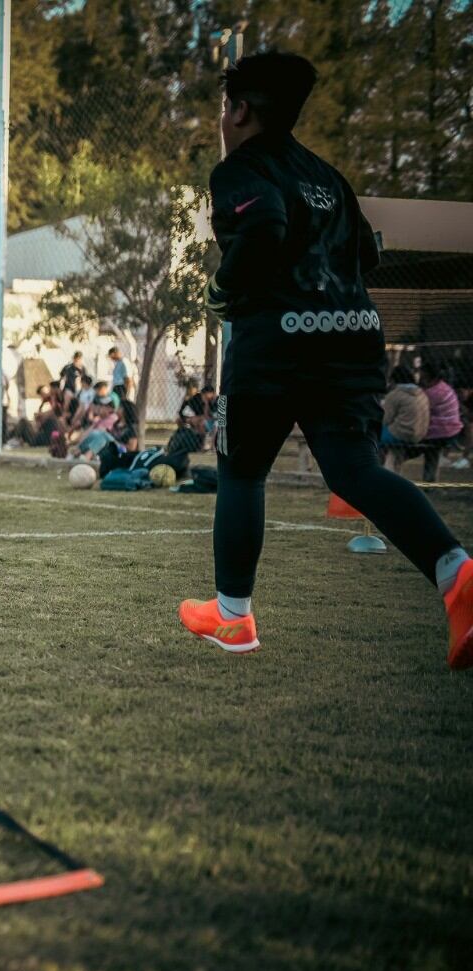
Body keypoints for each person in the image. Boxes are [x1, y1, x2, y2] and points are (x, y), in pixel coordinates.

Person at [181, 50, 471, 669]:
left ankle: (233, 617)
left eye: (224, 107)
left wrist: (223, 287)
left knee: (241, 471)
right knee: (354, 472)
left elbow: (263, 226)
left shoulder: (240, 168)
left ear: (241, 110)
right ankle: (457, 573)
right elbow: (367, 252)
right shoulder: (329, 175)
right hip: (351, 337)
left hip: (275, 345)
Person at [379, 362, 429, 471]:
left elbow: (385, 419)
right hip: (420, 433)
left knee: (371, 436)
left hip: (400, 433)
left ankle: (376, 468)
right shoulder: (421, 392)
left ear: (393, 379)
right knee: (394, 452)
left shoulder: (395, 394)